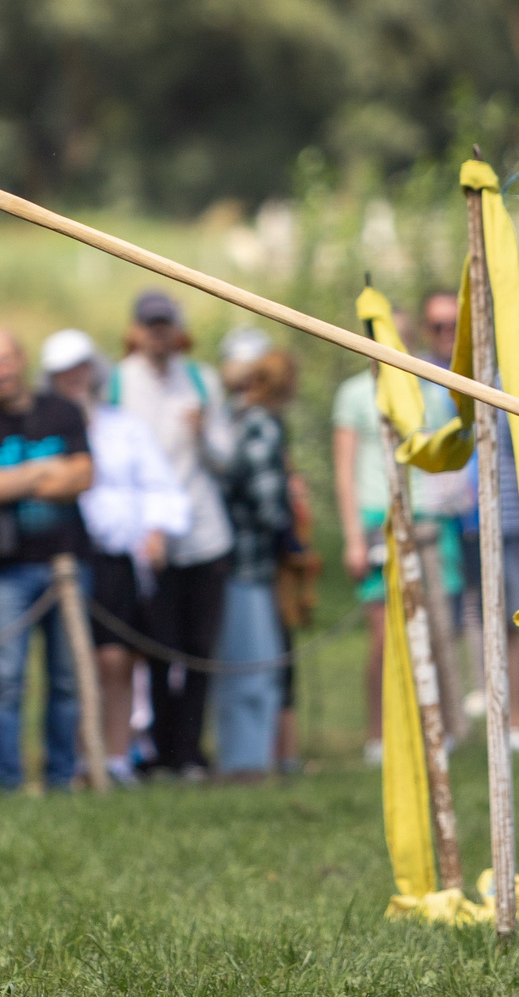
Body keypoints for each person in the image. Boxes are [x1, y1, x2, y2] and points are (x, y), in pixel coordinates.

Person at [330, 288, 468, 765]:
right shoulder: (352, 394)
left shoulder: (430, 387)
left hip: (429, 517)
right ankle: (378, 735)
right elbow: (345, 472)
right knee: (382, 637)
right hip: (376, 517)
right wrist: (352, 537)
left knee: (436, 629)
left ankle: (439, 726)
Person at [46, 327, 188, 786]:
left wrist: (157, 531)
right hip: (64, 558)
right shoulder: (48, 433)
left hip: (116, 559)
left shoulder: (124, 427)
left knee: (117, 660)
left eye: (81, 369)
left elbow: (160, 485)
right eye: (64, 373)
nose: (75, 379)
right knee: (69, 664)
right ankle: (72, 759)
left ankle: (116, 756)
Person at [106, 291, 236, 778]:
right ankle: (162, 750)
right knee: (160, 648)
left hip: (203, 533)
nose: (158, 334)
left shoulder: (202, 380)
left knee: (200, 649)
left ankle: (190, 751)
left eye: (165, 324)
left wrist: (204, 433)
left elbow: (227, 457)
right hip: (149, 540)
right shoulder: (119, 382)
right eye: (150, 325)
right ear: (137, 330)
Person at [0, 326, 95, 792]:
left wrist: (10, 479)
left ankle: (61, 777)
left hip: (67, 565)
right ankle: (6, 783)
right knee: (6, 681)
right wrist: (45, 469)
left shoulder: (63, 412)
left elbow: (82, 477)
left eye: (4, 360)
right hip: (6, 573)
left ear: (20, 359)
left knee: (65, 680)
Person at [212, 333, 295, 779]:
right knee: (254, 667)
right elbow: (267, 504)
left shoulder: (232, 417)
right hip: (250, 565)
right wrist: (290, 536)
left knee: (243, 665)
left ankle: (247, 758)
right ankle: (246, 763)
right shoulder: (260, 423)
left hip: (233, 563)